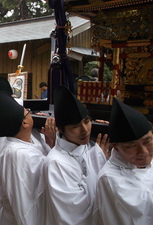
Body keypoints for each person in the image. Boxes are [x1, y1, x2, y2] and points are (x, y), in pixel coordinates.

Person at [0, 88, 56, 225]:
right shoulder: (19, 156)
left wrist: (52, 142)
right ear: (24, 123)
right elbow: (26, 208)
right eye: (28, 112)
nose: (31, 114)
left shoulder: (28, 141)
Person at [44, 85, 109, 225]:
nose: (85, 130)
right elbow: (74, 215)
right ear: (60, 129)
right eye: (75, 126)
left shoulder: (89, 147)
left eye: (86, 121)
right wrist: (98, 160)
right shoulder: (57, 163)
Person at [92, 98, 153, 225]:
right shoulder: (110, 179)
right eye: (132, 146)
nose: (143, 151)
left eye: (147, 141)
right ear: (116, 147)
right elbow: (148, 211)